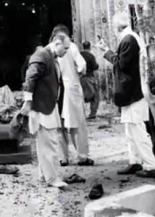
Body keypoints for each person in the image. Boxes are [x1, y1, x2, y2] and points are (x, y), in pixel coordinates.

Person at [98, 12, 155, 178]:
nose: (113, 31)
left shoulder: (128, 40)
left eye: (113, 27)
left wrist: (107, 51)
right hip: (133, 92)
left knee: (137, 129)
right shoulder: (131, 38)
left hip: (134, 92)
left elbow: (122, 65)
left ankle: (151, 165)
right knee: (130, 129)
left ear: (117, 27)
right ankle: (135, 161)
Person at [20, 33, 71, 188]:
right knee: (49, 143)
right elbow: (30, 78)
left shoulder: (50, 57)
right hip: (42, 107)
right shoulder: (42, 55)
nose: (66, 51)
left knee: (44, 143)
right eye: (65, 48)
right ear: (57, 43)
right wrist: (28, 101)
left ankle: (44, 175)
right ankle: (52, 178)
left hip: (48, 105)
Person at [51, 25, 94, 166]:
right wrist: (77, 73)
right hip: (70, 89)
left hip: (57, 90)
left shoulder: (49, 49)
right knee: (77, 125)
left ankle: (63, 157)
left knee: (59, 125)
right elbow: (82, 66)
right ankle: (82, 156)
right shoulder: (72, 47)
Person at [80, 41, 100, 119]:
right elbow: (95, 67)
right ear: (90, 47)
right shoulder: (91, 56)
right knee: (95, 96)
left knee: (81, 96)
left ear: (83, 47)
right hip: (89, 77)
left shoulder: (79, 55)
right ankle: (92, 114)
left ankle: (81, 113)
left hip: (80, 78)